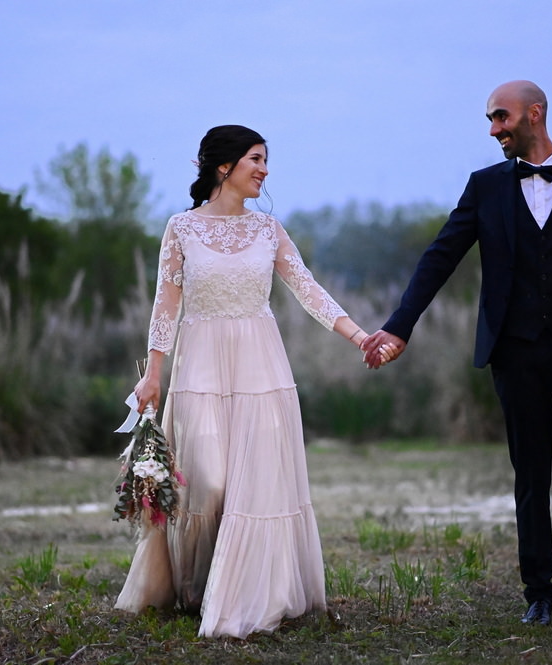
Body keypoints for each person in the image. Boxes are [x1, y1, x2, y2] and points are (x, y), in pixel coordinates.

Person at [362, 81, 552, 626]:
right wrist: (400, 327)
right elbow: (439, 257)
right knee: (531, 470)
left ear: (534, 114)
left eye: (501, 117)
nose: (494, 129)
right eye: (491, 120)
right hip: (514, 352)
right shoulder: (485, 187)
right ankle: (539, 591)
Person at [115, 125, 381, 639]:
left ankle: (249, 595)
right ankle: (195, 589)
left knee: (255, 486)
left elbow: (309, 290)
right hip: (200, 367)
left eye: (265, 160)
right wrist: (153, 374)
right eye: (256, 160)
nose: (264, 169)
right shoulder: (182, 229)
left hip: (261, 367)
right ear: (224, 167)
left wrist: (360, 336)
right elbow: (165, 306)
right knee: (208, 480)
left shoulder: (269, 230)